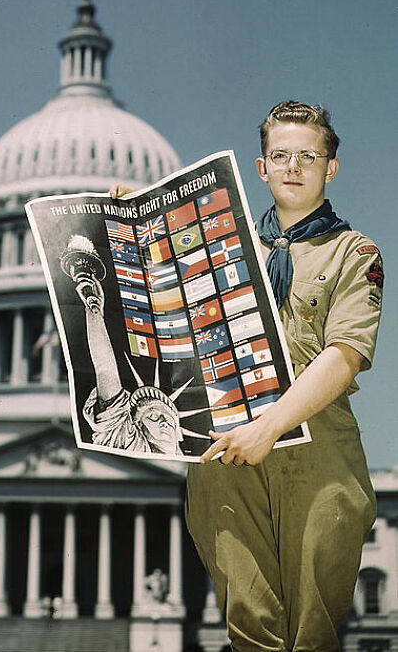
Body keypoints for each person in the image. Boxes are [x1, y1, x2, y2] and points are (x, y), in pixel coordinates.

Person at [112, 101, 383, 651]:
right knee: (249, 630)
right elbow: (159, 319)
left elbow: (345, 354)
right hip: (225, 454)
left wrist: (269, 428)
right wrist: (128, 228)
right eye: (279, 155)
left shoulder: (356, 253)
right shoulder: (214, 248)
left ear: (331, 168)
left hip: (318, 456)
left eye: (309, 156)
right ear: (261, 169)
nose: (292, 167)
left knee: (313, 634)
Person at [69, 250, 185, 456]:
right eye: (152, 415)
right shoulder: (130, 442)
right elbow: (106, 372)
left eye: (167, 416)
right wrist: (94, 311)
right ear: (136, 427)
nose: (164, 422)